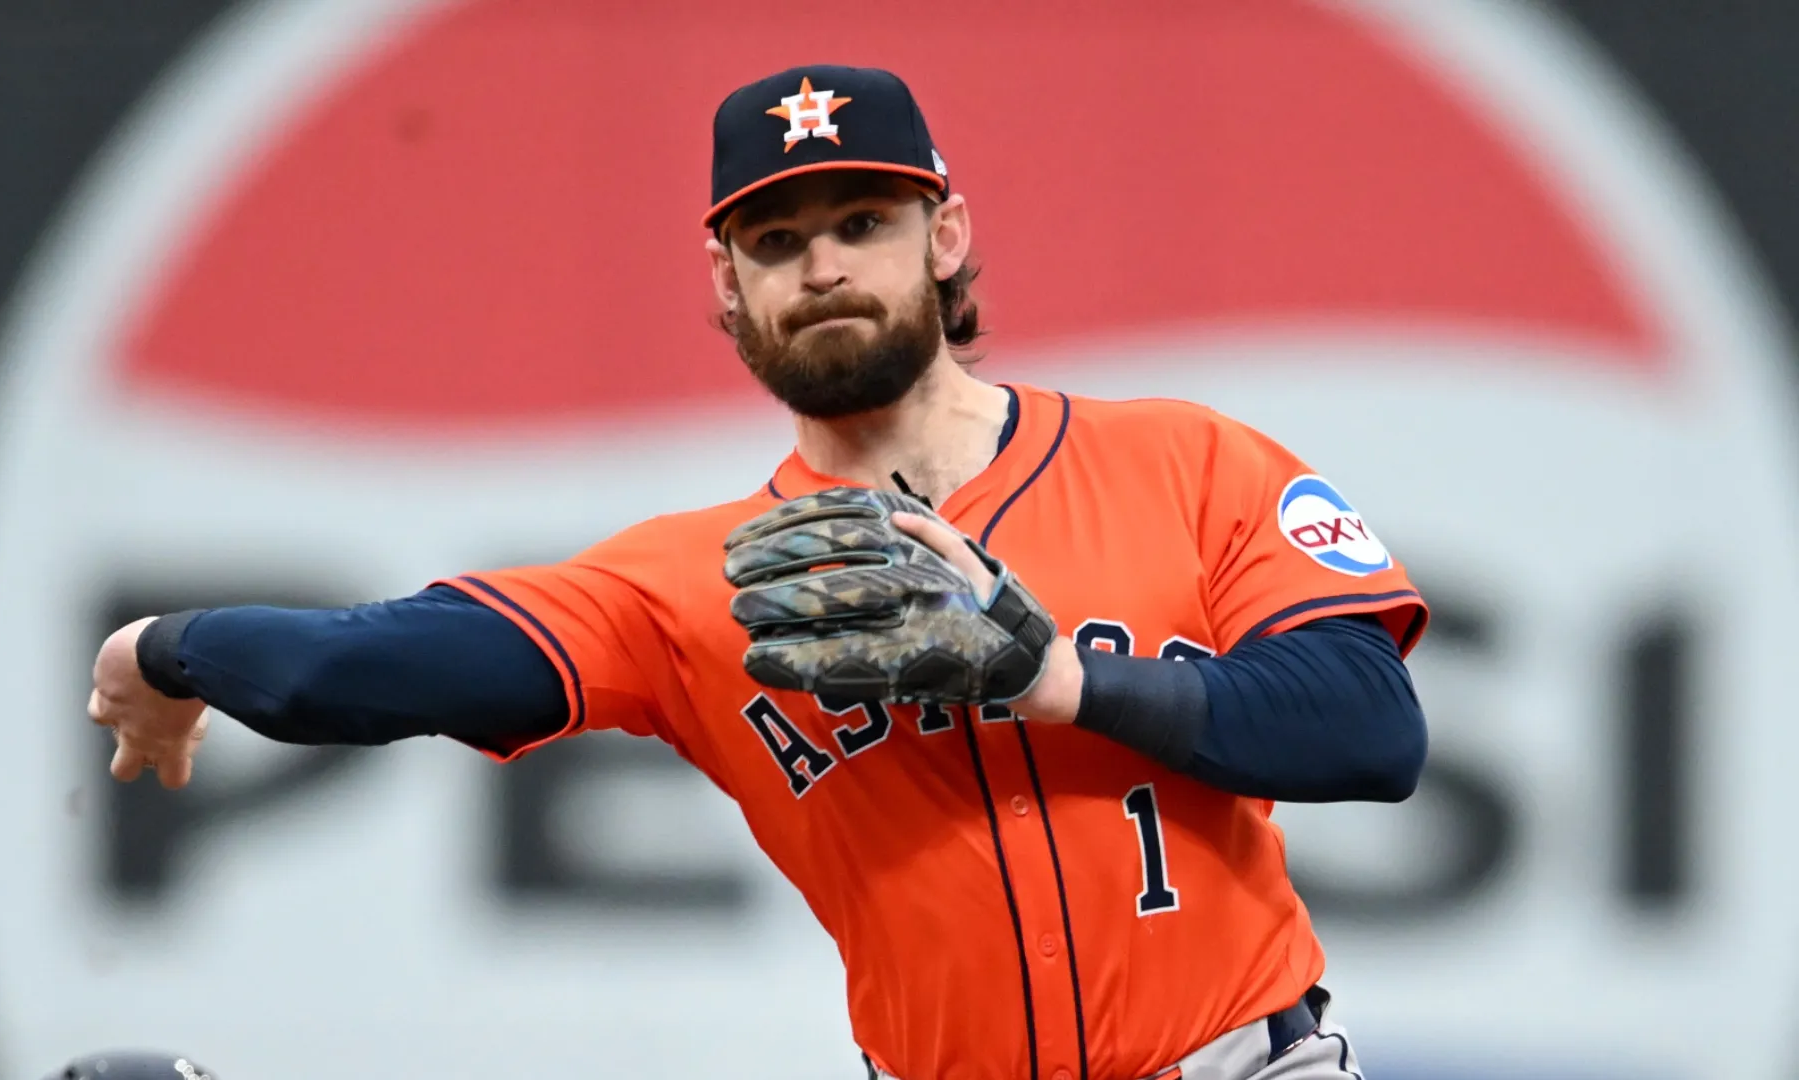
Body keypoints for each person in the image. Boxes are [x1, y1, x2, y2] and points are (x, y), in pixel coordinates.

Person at [88, 64, 1428, 1080]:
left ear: (944, 237)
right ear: (726, 287)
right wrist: (163, 651)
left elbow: (1371, 727)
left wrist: (1062, 677)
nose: (824, 264)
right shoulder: (691, 588)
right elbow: (364, 668)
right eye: (777, 242)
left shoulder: (1189, 462)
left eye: (863, 219)